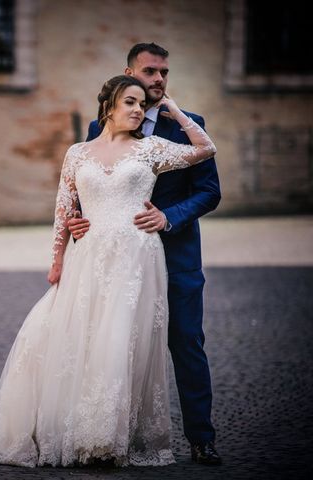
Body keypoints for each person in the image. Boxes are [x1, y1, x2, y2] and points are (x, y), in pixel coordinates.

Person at [0, 74, 217, 468]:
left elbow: (205, 148)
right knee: (82, 339)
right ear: (109, 107)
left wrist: (175, 110)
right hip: (90, 255)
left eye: (142, 104)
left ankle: (106, 439)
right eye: (130, 103)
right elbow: (64, 209)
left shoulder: (152, 149)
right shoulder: (78, 153)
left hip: (137, 257)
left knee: (120, 341)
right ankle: (77, 429)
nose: (138, 110)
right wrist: (57, 260)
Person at [68, 43, 222, 465]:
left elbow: (210, 192)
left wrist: (167, 217)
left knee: (187, 343)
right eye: (149, 72)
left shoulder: (189, 125)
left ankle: (201, 438)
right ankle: (115, 436)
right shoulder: (99, 128)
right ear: (129, 73)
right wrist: (78, 222)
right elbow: (86, 185)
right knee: (112, 344)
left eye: (164, 73)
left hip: (177, 260)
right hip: (117, 265)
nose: (157, 80)